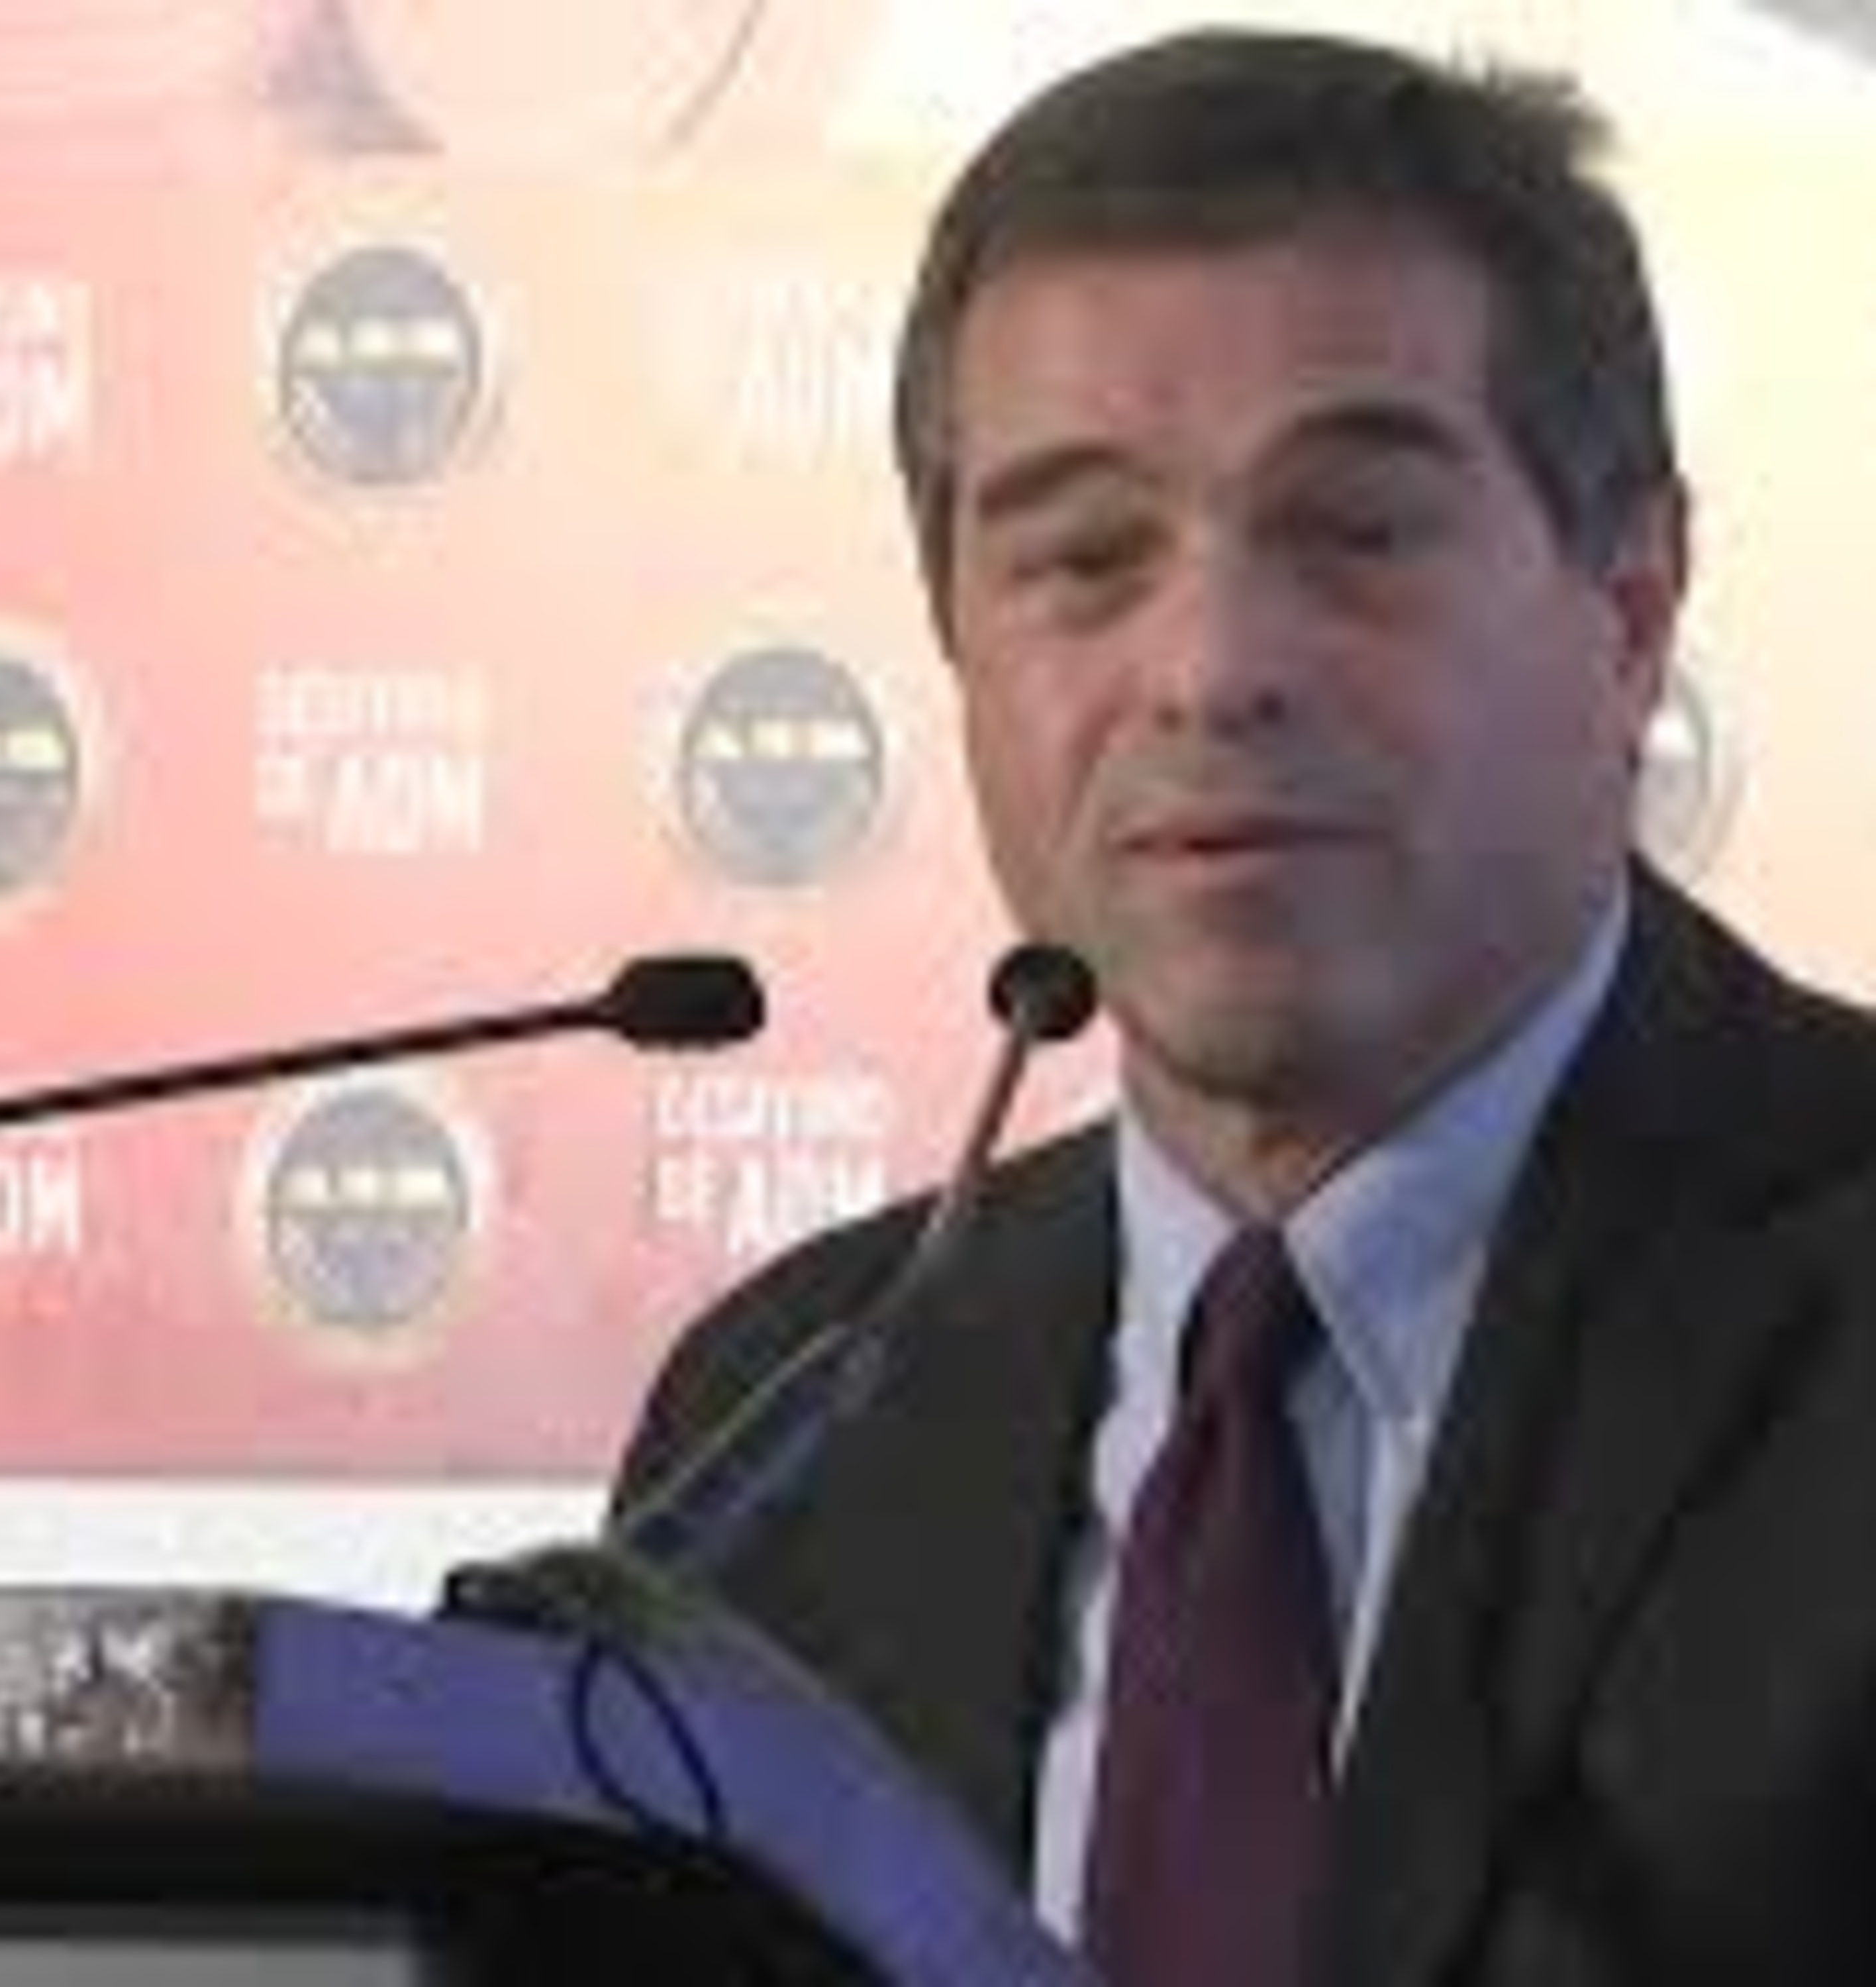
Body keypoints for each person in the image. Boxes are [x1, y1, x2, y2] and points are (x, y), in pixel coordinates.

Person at [609, 26, 1876, 1985]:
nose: (1208, 670)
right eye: (1083, 556)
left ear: (1631, 610)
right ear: (957, 644)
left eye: (1354, 534)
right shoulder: (794, 1422)